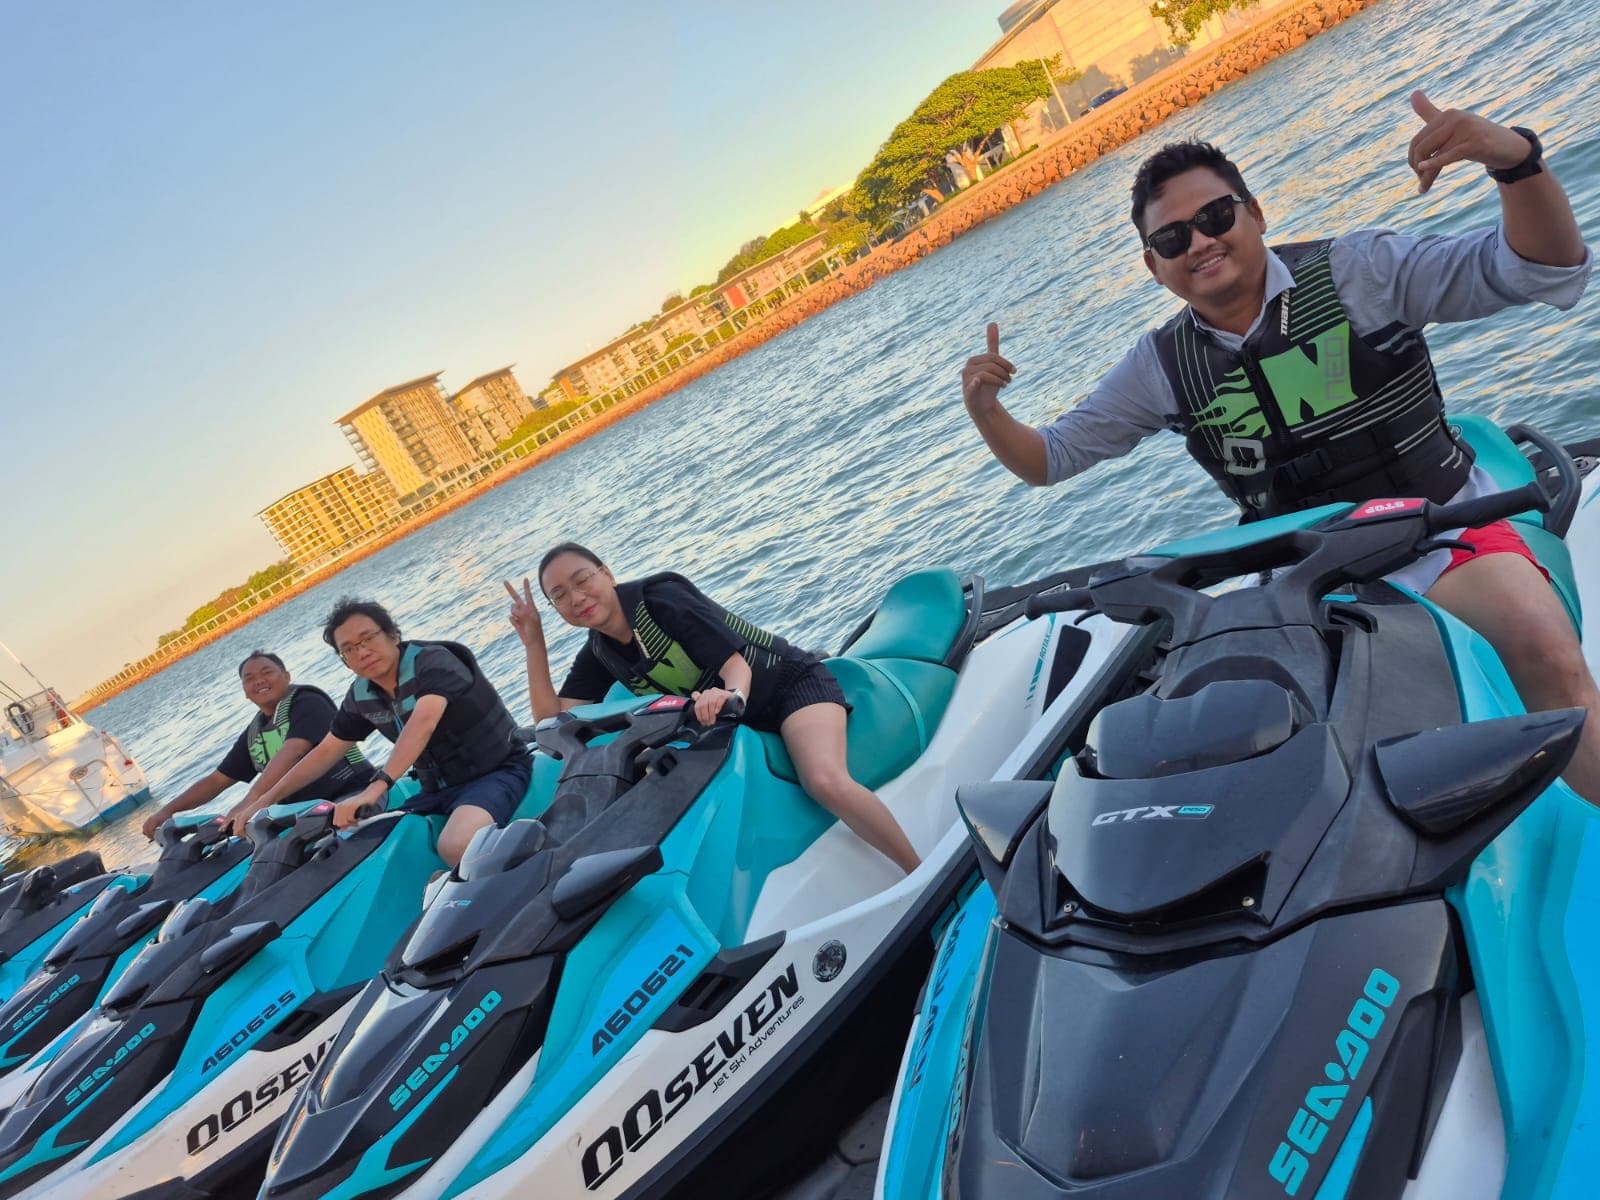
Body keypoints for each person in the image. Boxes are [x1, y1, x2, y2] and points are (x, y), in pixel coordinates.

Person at [960, 91, 1600, 802]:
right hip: (1302, 569)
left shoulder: (1362, 270)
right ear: (1154, 266)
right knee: (1232, 735)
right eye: (1173, 239)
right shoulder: (1159, 365)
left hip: (1441, 527)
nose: (1199, 242)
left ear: (1254, 212)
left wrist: (1516, 162)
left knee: (1541, 646)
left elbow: (1541, 269)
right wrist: (988, 412)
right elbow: (1050, 459)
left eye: (1215, 217)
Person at [504, 545, 922, 873]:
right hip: (733, 728)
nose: (577, 598)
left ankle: (916, 870)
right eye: (560, 596)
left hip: (789, 687)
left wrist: (728, 695)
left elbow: (735, 665)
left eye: (583, 580)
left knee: (825, 781)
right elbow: (552, 720)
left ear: (607, 574)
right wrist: (534, 643)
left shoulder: (660, 599)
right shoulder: (599, 653)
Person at [228, 599, 530, 868]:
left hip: (496, 771)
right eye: (348, 649)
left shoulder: (434, 661)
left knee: (455, 844)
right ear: (344, 660)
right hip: (435, 791)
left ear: (393, 635)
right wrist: (264, 800)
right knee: (371, 848)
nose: (362, 652)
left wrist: (376, 788)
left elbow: (422, 723)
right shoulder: (361, 694)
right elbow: (325, 751)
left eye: (368, 638)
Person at [141, 651, 374, 840]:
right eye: (249, 678)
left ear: (287, 676)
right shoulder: (254, 732)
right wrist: (167, 811)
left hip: (352, 792)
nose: (259, 681)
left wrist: (250, 802)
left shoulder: (308, 702)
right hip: (303, 814)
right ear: (244, 691)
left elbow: (294, 751)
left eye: (267, 672)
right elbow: (217, 781)